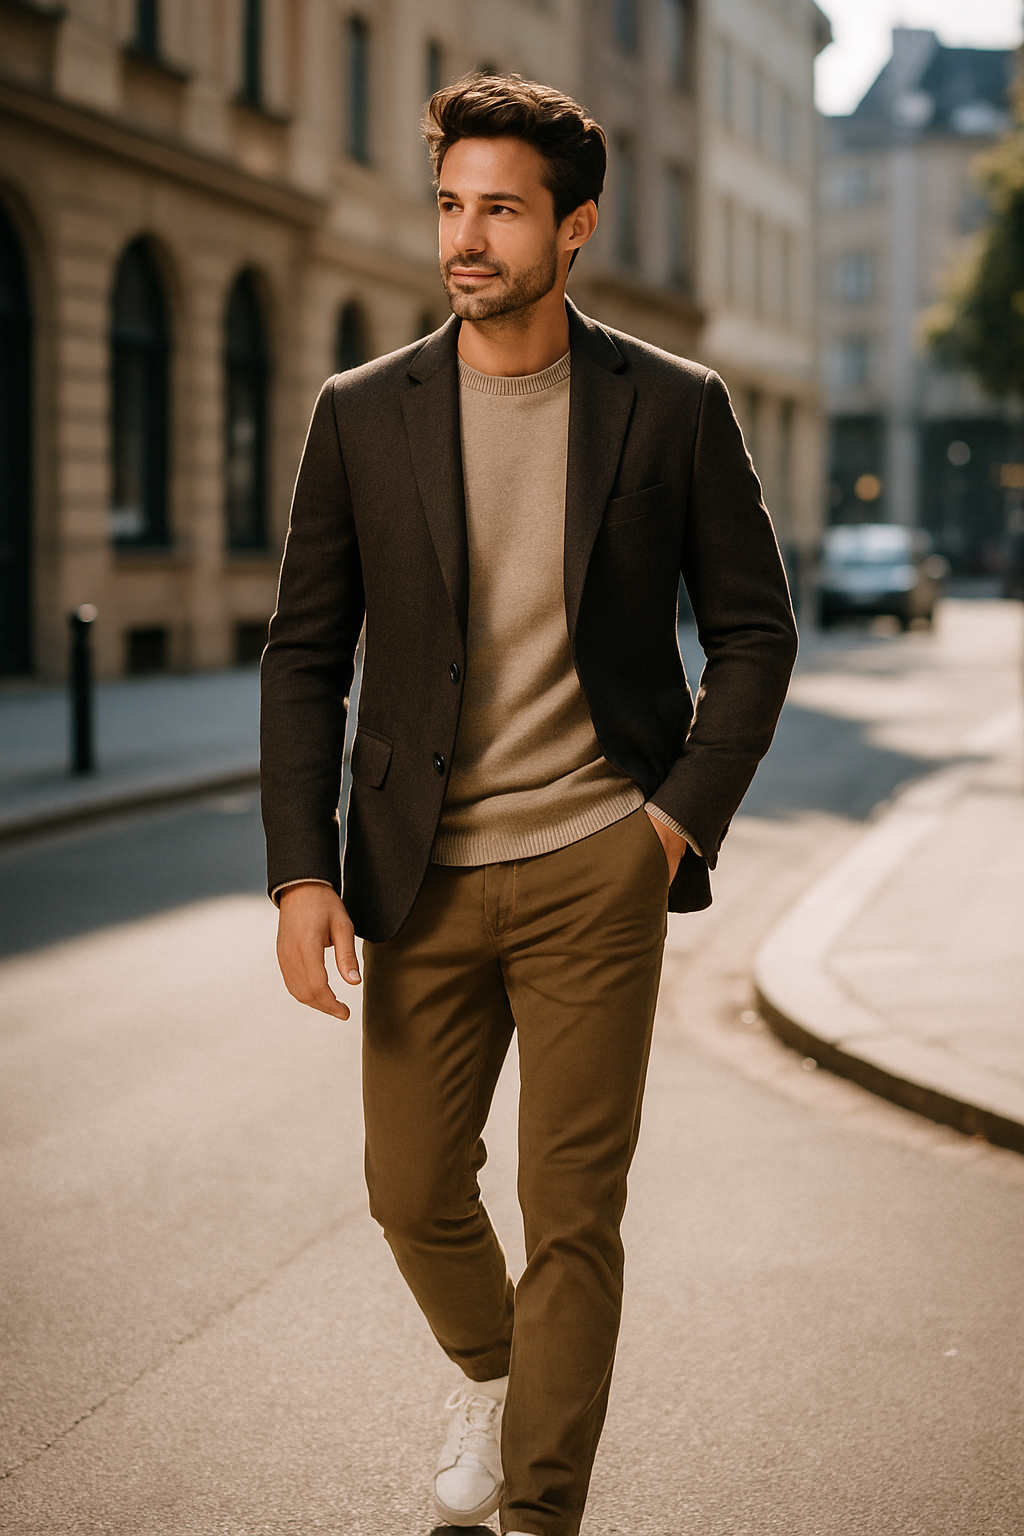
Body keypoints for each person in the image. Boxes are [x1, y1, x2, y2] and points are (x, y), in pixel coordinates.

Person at [260, 73, 797, 1536]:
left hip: (596, 863)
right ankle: (504, 1380)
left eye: (501, 209)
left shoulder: (673, 409)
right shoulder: (362, 413)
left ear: (576, 230)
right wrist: (300, 873)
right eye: (452, 205)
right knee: (410, 1187)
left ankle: (539, 1509)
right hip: (415, 871)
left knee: (574, 1216)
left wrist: (674, 821)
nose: (467, 238)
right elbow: (307, 652)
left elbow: (755, 630)